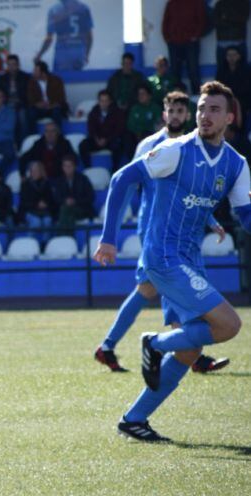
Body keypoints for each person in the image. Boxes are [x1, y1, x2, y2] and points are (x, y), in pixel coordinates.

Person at [93, 81, 250, 442]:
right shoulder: (175, 150)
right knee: (229, 325)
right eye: (201, 108)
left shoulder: (236, 164)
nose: (204, 115)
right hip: (162, 257)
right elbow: (121, 179)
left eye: (213, 109)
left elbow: (245, 215)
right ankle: (153, 343)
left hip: (189, 259)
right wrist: (109, 239)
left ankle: (134, 420)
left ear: (229, 117)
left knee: (191, 347)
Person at [94, 90, 229, 375]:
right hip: (155, 230)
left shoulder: (193, 145)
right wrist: (112, 234)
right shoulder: (151, 145)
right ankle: (189, 351)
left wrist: (209, 217)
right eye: (172, 110)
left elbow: (194, 190)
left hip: (183, 229)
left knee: (153, 289)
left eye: (182, 111)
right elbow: (128, 182)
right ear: (164, 113)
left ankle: (109, 347)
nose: (177, 115)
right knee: (163, 286)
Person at [33, 0, 94, 72]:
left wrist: (39, 54)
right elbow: (89, 36)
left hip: (62, 53)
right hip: (79, 52)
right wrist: (86, 55)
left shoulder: (54, 9)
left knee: (60, 80)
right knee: (77, 80)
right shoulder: (84, 8)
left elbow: (49, 38)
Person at [162, 0, 204, 94]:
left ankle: (197, 96)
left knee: (193, 70)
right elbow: (166, 21)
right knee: (175, 72)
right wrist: (167, 37)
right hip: (174, 43)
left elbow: (201, 20)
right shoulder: (172, 3)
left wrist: (196, 36)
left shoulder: (196, 3)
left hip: (191, 43)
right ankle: (176, 96)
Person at [78, 89, 125, 170]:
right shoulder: (94, 112)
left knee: (118, 146)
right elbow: (91, 128)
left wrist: (107, 139)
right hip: (97, 140)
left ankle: (114, 170)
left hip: (110, 140)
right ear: (98, 101)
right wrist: (96, 139)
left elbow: (118, 130)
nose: (104, 103)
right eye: (101, 101)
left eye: (106, 101)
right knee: (83, 145)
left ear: (110, 101)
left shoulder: (117, 112)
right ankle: (88, 169)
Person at [52, 155, 95, 232]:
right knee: (67, 213)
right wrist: (65, 201)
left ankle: (62, 236)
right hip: (66, 210)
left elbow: (90, 197)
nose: (67, 168)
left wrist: (75, 201)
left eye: (69, 166)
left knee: (65, 210)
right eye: (65, 166)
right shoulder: (59, 181)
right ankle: (69, 238)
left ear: (74, 166)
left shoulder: (83, 179)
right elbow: (56, 198)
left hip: (82, 209)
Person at [0, 54, 31, 143]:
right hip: (7, 104)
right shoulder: (2, 78)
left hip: (21, 103)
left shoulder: (25, 77)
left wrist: (20, 102)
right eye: (9, 64)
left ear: (18, 65)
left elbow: (29, 94)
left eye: (14, 64)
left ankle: (24, 144)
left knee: (23, 118)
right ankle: (10, 144)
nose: (11, 67)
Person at [18, 161, 55, 242]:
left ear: (41, 171)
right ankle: (29, 242)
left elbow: (51, 200)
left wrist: (45, 204)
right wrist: (36, 205)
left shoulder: (47, 184)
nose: (34, 173)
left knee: (47, 221)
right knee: (36, 222)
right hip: (30, 211)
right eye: (32, 171)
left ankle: (45, 244)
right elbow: (23, 202)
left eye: (36, 171)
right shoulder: (25, 185)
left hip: (45, 211)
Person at [26, 60, 67, 132]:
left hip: (53, 107)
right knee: (30, 113)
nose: (33, 73)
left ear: (43, 73)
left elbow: (61, 98)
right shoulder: (31, 82)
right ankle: (32, 136)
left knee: (56, 112)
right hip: (39, 109)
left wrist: (51, 104)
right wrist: (38, 104)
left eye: (36, 71)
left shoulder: (56, 80)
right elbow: (30, 98)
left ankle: (58, 135)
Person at [216, 47, 251, 127]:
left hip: (243, 99)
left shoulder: (246, 69)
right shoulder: (221, 69)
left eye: (234, 55)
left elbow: (247, 87)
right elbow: (218, 85)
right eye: (229, 55)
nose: (231, 58)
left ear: (239, 56)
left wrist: (235, 99)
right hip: (226, 97)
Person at [124, 84, 161, 157]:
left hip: (150, 135)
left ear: (149, 96)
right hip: (136, 135)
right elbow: (130, 124)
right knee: (127, 137)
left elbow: (158, 124)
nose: (140, 96)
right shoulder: (135, 108)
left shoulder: (156, 108)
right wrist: (138, 132)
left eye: (143, 94)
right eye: (139, 94)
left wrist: (145, 131)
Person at [214, 0, 249, 66]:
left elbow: (243, 18)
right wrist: (233, 20)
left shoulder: (244, 2)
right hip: (223, 42)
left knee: (242, 73)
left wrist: (225, 17)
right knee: (222, 73)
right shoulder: (219, 4)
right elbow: (216, 22)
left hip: (238, 42)